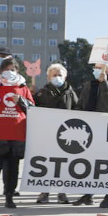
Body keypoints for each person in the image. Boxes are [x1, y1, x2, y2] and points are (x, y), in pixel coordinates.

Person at [0, 57, 34, 208]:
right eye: (6, 69)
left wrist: (21, 100)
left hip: (16, 134)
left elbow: (32, 108)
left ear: (17, 71)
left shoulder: (23, 87)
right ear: (1, 71)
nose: (10, 72)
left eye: (13, 69)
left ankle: (9, 196)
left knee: (12, 170)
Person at [74, 61, 108, 207]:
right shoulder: (89, 85)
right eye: (95, 67)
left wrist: (104, 83)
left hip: (105, 130)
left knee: (106, 164)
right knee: (90, 163)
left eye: (99, 67)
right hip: (88, 129)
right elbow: (81, 104)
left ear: (107, 70)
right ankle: (88, 195)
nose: (95, 70)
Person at [32, 62, 80, 204]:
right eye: (54, 75)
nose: (57, 77)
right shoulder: (42, 93)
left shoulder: (70, 93)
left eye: (60, 75)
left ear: (65, 77)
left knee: (63, 164)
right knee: (46, 163)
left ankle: (62, 193)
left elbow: (77, 109)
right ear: (48, 77)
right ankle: (44, 192)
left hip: (65, 134)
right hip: (47, 133)